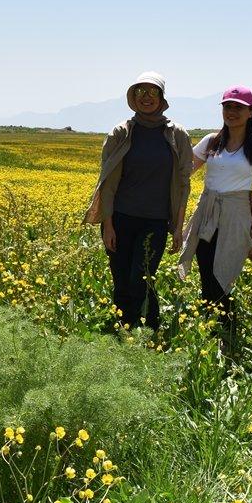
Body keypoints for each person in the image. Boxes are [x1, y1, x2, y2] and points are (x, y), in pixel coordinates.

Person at [83, 72, 195, 332]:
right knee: (121, 280)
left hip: (155, 221)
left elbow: (183, 184)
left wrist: (178, 227)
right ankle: (124, 330)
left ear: (162, 98)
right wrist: (108, 225)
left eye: (152, 92)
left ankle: (149, 328)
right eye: (141, 92)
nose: (146, 98)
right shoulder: (121, 132)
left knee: (141, 278)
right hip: (120, 218)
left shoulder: (176, 134)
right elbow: (107, 183)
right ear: (133, 97)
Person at [177, 86, 252, 348]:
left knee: (225, 274)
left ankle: (227, 334)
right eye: (227, 106)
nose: (231, 112)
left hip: (237, 214)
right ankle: (215, 335)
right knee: (207, 272)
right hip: (207, 211)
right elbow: (184, 173)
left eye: (238, 107)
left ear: (251, 112)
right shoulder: (210, 141)